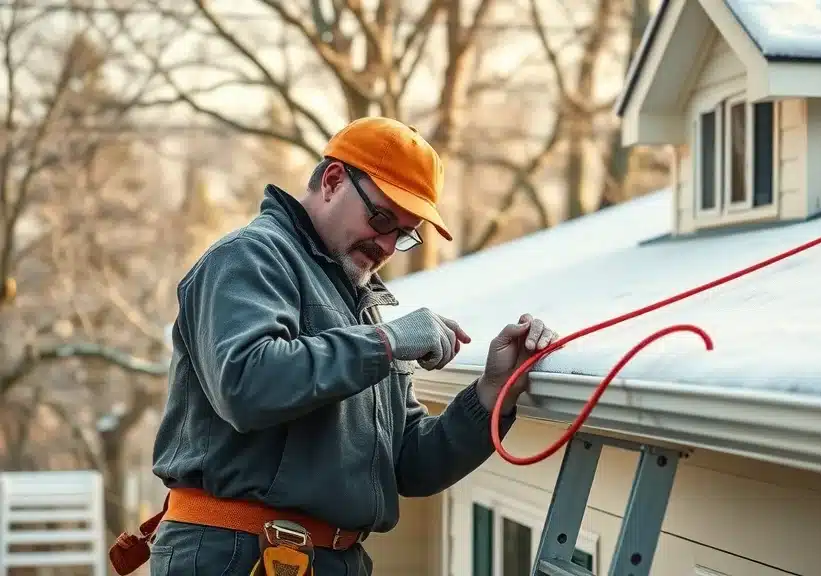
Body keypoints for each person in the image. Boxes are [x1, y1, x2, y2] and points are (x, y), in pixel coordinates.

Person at [109, 117, 559, 576]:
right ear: (333, 180)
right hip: (239, 556)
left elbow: (411, 465)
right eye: (381, 218)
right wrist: (388, 341)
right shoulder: (250, 258)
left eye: (403, 234)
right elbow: (246, 383)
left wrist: (493, 392)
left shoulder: (359, 308)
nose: (385, 244)